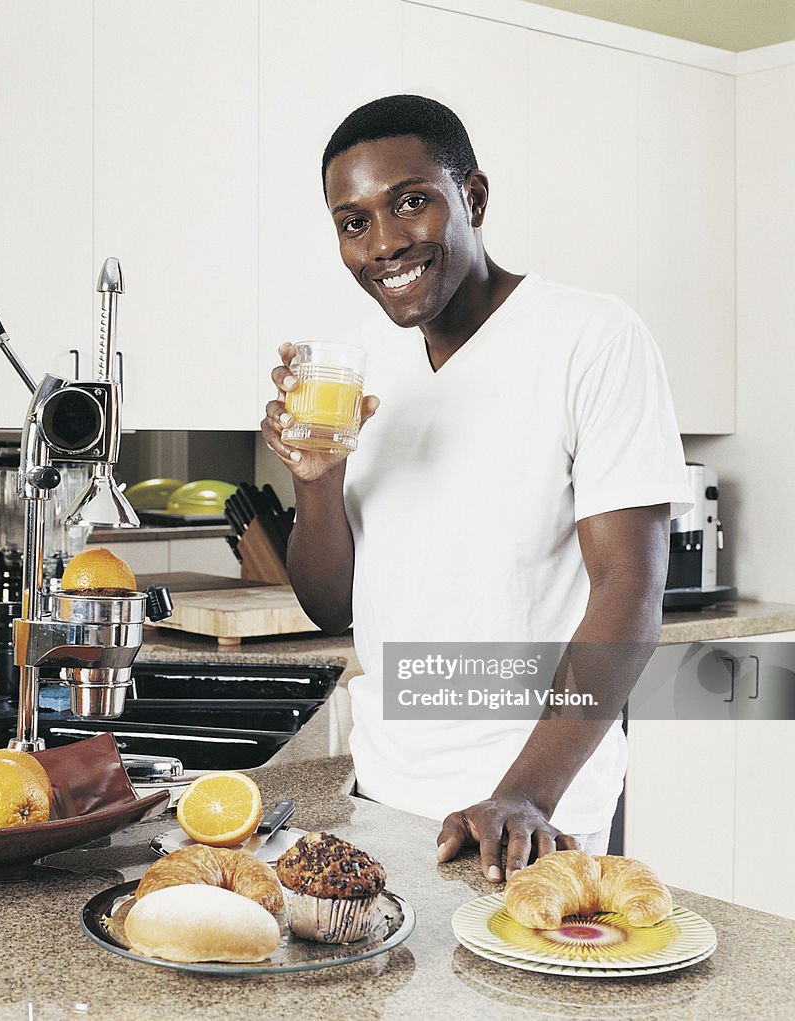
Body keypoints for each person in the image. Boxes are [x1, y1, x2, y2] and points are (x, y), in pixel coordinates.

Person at [260, 95, 692, 882]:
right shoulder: (359, 366)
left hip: (532, 815)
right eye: (353, 222)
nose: (385, 243)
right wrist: (315, 485)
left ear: (475, 198)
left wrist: (524, 795)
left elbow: (630, 590)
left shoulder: (591, 338)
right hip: (384, 801)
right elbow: (331, 606)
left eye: (412, 202)